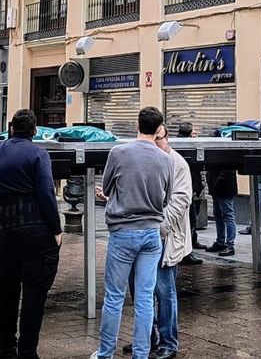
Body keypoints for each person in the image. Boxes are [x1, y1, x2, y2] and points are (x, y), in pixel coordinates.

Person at [0, 109, 61, 359]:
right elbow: (46, 194)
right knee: (34, 293)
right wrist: (56, 229)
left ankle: (6, 346)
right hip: (36, 229)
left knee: (7, 291)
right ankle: (27, 351)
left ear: (10, 127)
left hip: (5, 230)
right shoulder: (39, 153)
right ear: (35, 130)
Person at [91, 106, 172, 359]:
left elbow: (106, 186)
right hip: (151, 234)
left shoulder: (119, 152)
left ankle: (105, 354)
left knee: (114, 297)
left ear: (137, 124)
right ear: (159, 129)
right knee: (146, 298)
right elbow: (166, 198)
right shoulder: (166, 159)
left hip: (123, 232)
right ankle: (141, 354)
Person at [151, 119, 192, 359]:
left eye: (160, 138)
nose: (157, 142)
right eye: (154, 137)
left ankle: (168, 343)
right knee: (145, 290)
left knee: (165, 291)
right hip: (147, 234)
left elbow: (180, 201)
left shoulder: (177, 164)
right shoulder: (147, 158)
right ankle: (149, 337)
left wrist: (159, 227)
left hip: (166, 237)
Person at [176, 123, 205, 265]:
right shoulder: (187, 149)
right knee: (189, 221)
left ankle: (187, 249)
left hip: (186, 191)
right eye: (194, 133)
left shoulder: (178, 146)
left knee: (189, 221)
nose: (196, 134)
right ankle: (185, 252)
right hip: (186, 192)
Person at [204, 141, 237, 258]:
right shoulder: (216, 154)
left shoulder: (228, 155)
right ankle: (220, 241)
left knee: (227, 215)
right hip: (216, 190)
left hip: (224, 190)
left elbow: (228, 172)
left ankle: (230, 244)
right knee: (218, 215)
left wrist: (216, 183)